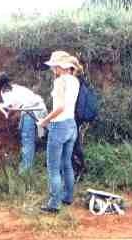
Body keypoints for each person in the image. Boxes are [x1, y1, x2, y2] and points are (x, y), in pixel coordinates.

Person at [38, 52, 80, 213]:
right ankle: (68, 197)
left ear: (60, 67)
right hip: (71, 125)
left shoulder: (60, 81)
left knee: (53, 168)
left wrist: (44, 121)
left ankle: (54, 204)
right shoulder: (75, 80)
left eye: (54, 66)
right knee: (66, 163)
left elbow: (60, 107)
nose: (52, 68)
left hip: (59, 125)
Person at [0, 72, 47, 173]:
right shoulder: (16, 88)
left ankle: (26, 170)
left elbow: (11, 107)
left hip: (32, 109)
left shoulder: (6, 92)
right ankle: (45, 162)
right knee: (43, 136)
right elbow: (16, 106)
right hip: (40, 107)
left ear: (0, 85)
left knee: (27, 138)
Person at [67, 56, 88, 181]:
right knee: (74, 143)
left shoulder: (76, 81)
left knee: (74, 143)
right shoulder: (80, 79)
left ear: (70, 69)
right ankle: (78, 169)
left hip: (75, 116)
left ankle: (79, 170)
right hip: (76, 116)